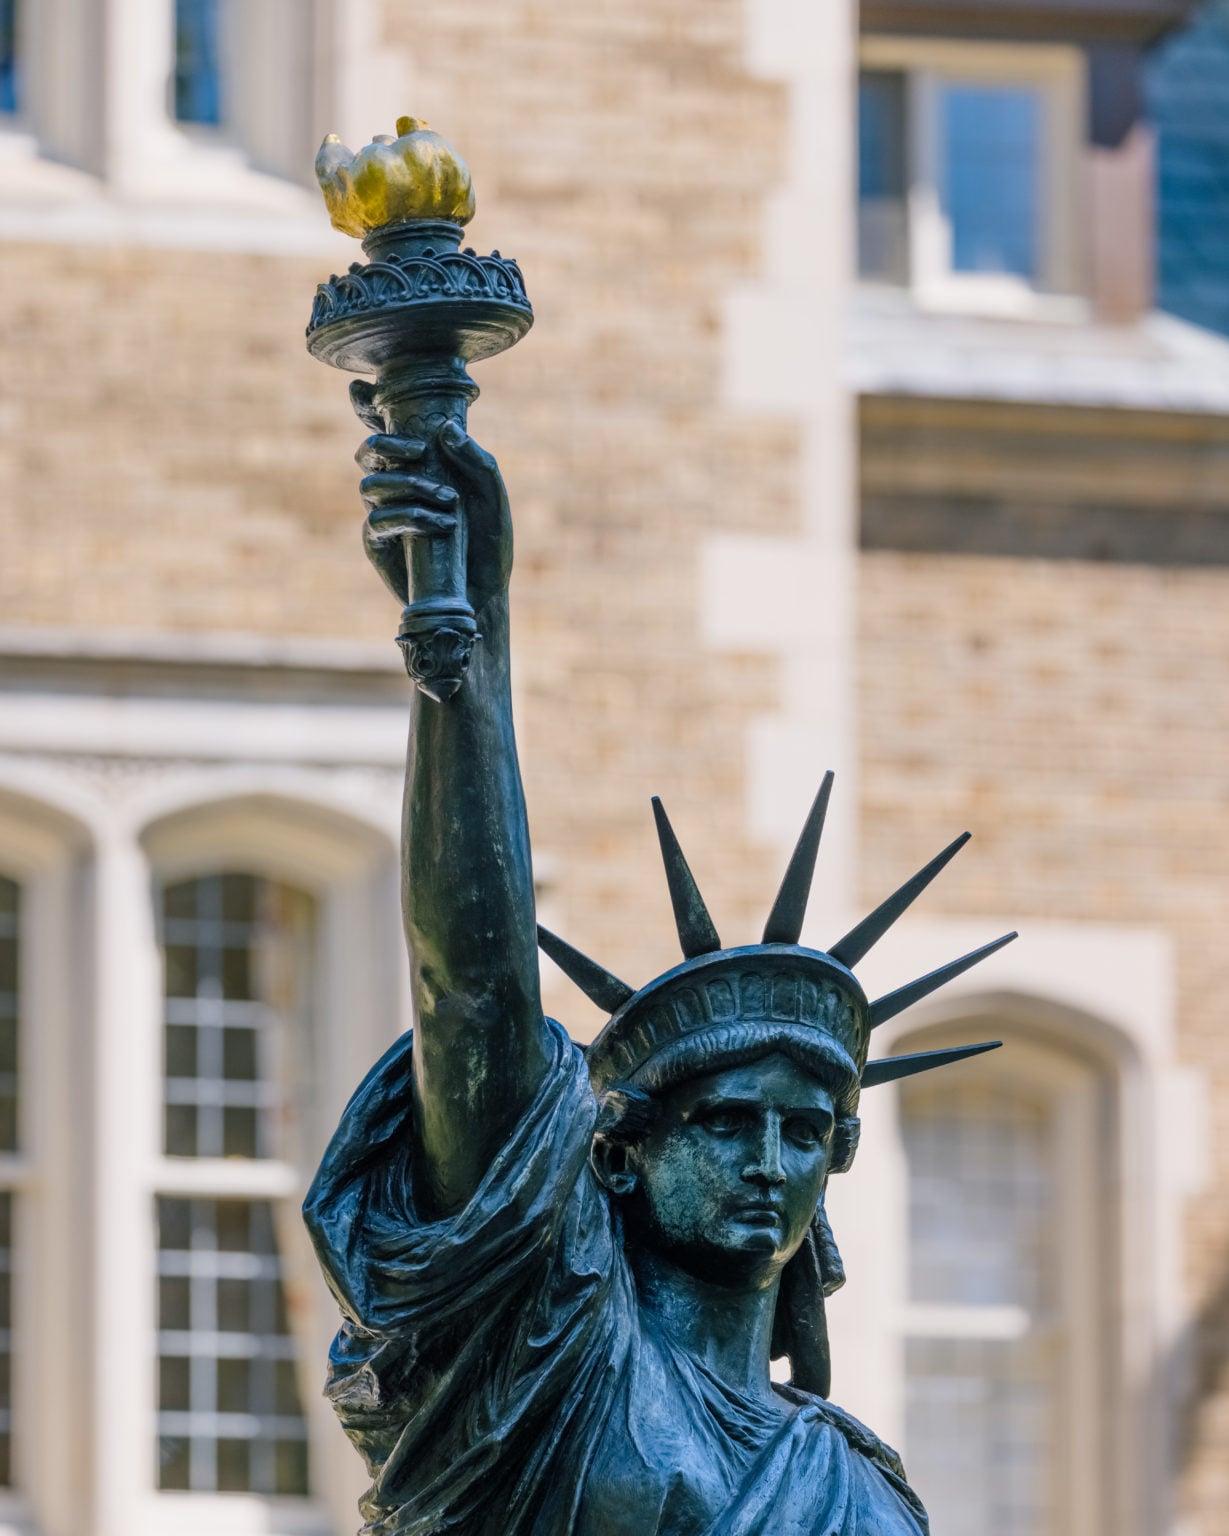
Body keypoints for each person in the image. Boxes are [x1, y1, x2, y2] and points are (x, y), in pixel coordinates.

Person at [303, 394, 1013, 1536]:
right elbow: (471, 986)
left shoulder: (855, 1487)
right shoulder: (550, 1353)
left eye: (802, 1134)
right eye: (727, 1125)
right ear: (623, 1155)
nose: (768, 1164)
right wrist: (469, 646)